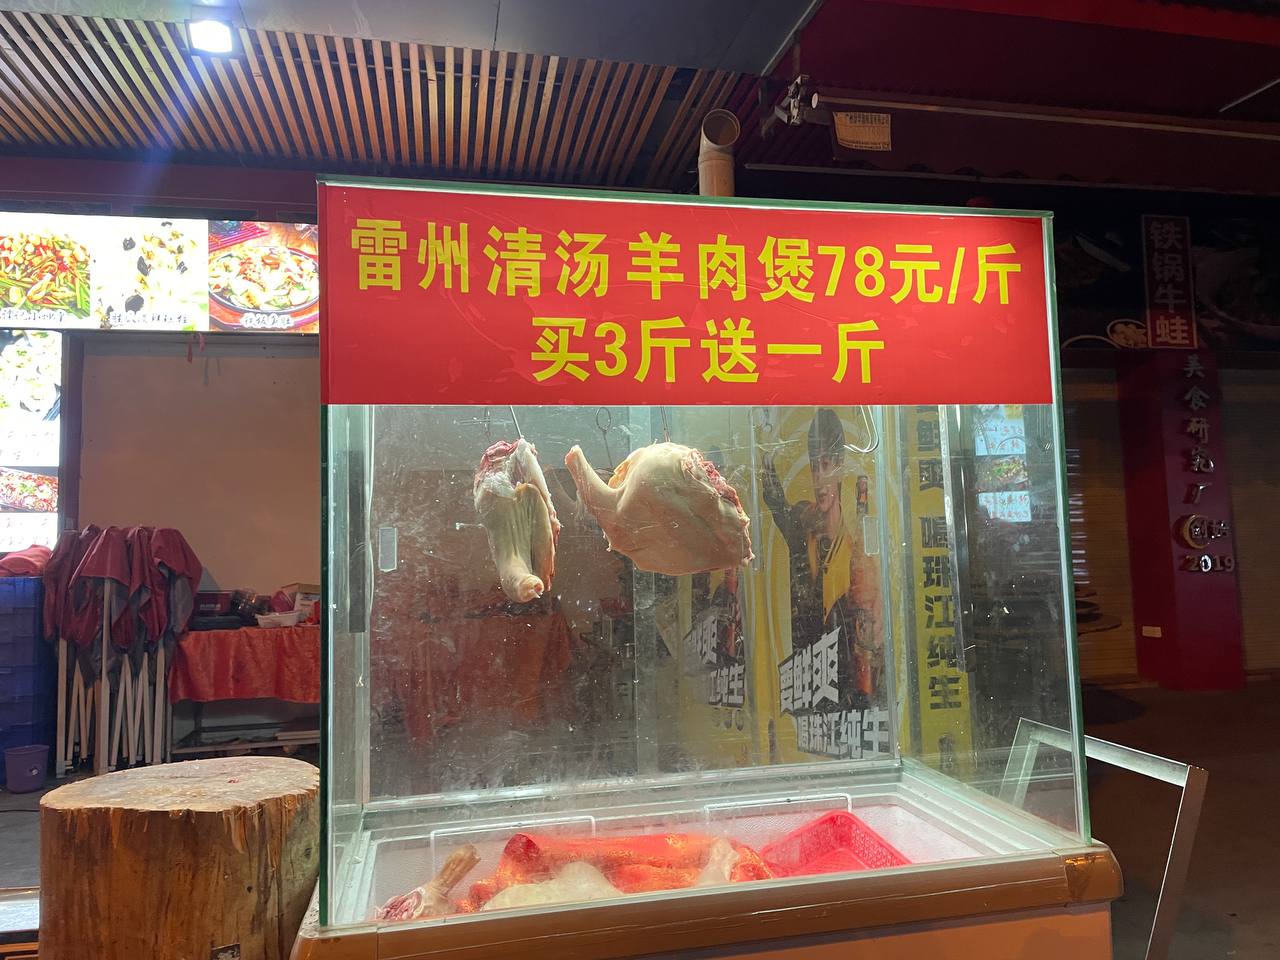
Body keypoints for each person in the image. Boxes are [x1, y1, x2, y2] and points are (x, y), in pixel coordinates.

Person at [762, 408, 883, 708]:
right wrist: (766, 458)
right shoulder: (803, 524)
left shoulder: (856, 550)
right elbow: (776, 503)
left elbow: (870, 637)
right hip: (808, 688)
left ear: (840, 465)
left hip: (848, 693)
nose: (819, 479)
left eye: (826, 465)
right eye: (815, 467)